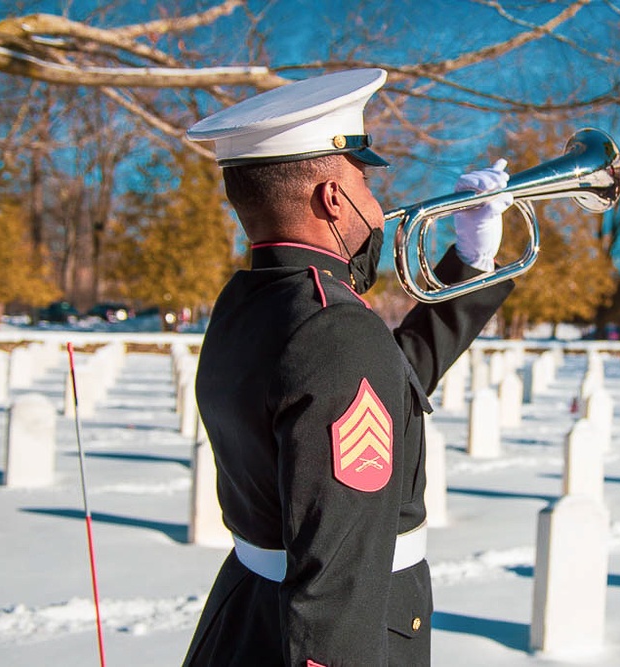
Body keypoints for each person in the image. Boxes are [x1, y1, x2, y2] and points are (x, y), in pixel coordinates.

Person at [182, 68, 515, 666]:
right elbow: (338, 576)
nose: (380, 208)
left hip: (250, 614)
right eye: (366, 182)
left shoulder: (252, 303)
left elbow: (387, 382)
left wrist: (471, 260)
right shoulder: (334, 327)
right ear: (333, 198)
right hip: (334, 633)